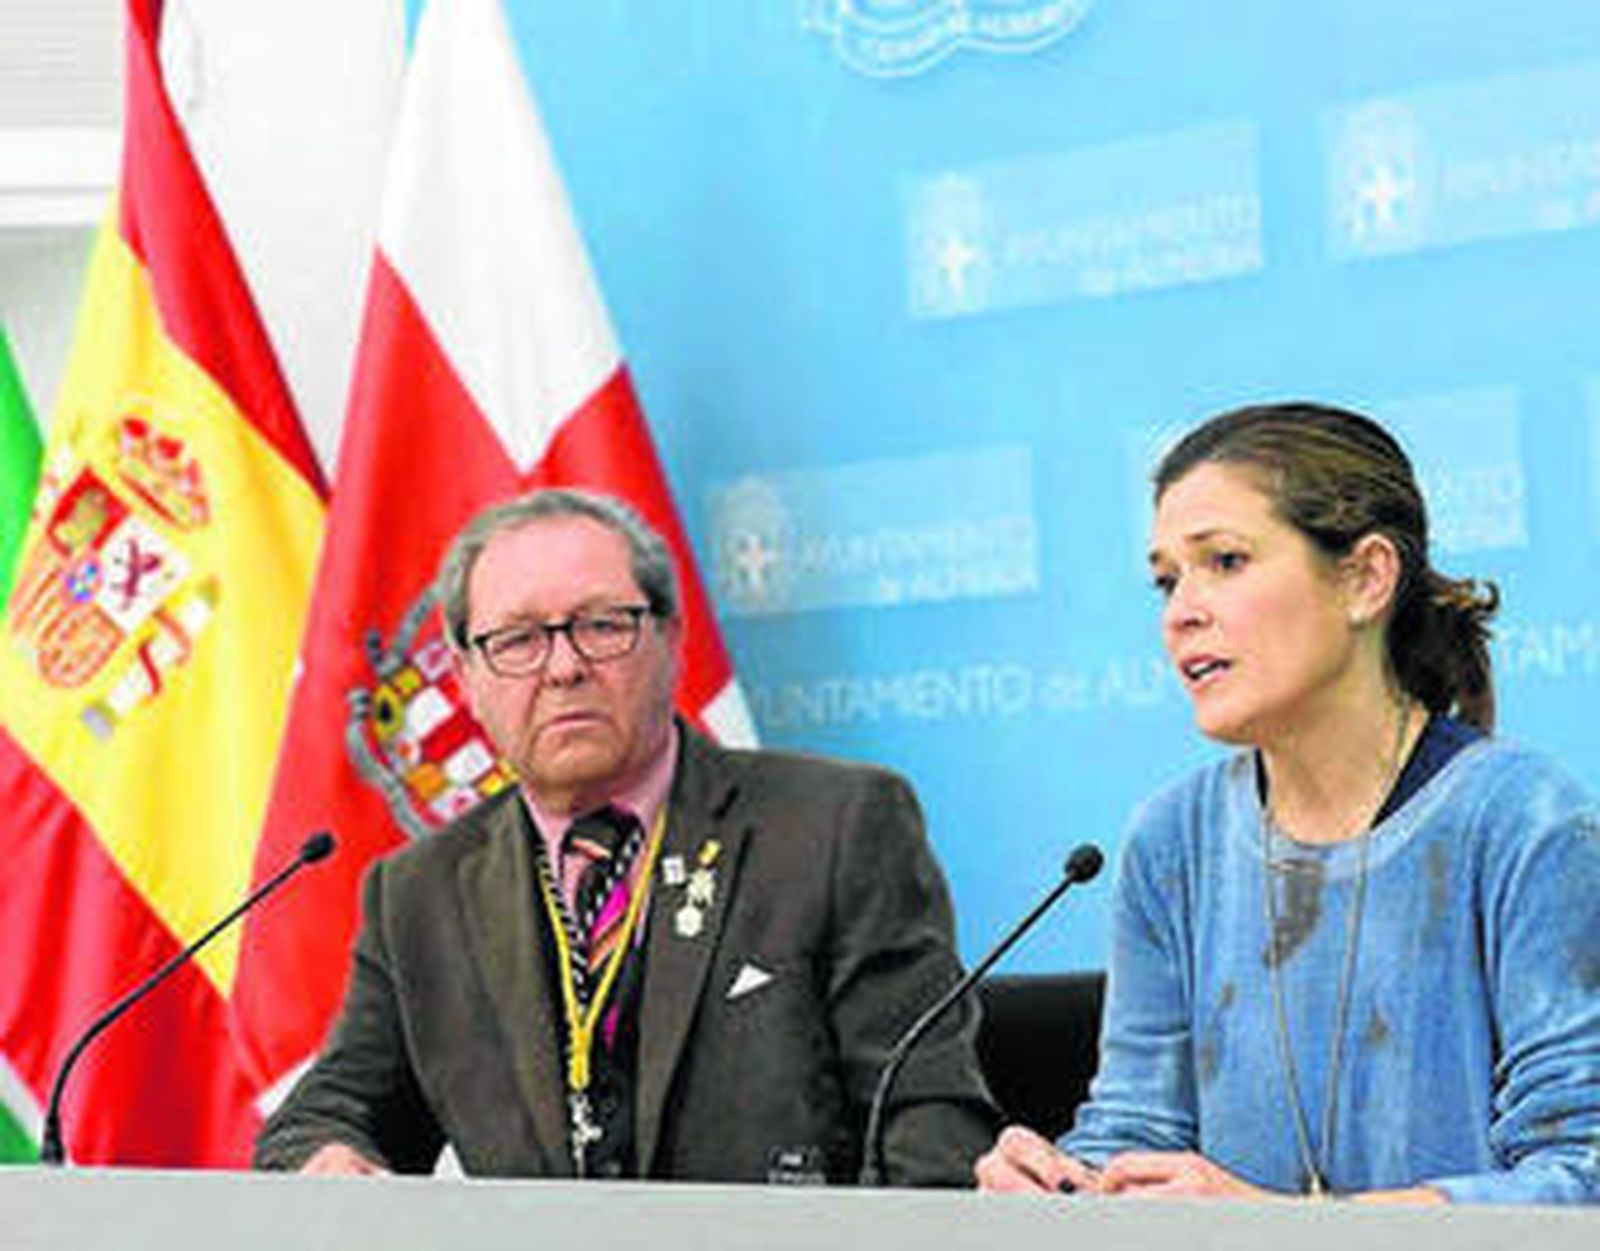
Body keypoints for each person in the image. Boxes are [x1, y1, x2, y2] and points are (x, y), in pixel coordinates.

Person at [255, 488, 996, 1183]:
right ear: (469, 679)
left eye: (602, 625)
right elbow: (324, 1114)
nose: (565, 667)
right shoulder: (420, 892)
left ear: (671, 639)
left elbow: (928, 1117)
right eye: (517, 640)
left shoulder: (834, 826)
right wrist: (329, 1158)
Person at [977, 402, 1600, 1204]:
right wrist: (1067, 1182)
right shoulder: (1172, 840)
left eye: (1226, 562)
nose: (1181, 611)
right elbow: (1138, 1132)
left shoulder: (1525, 818)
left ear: (1367, 577)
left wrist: (1282, 1223)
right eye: (1167, 579)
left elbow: (1582, 1172)